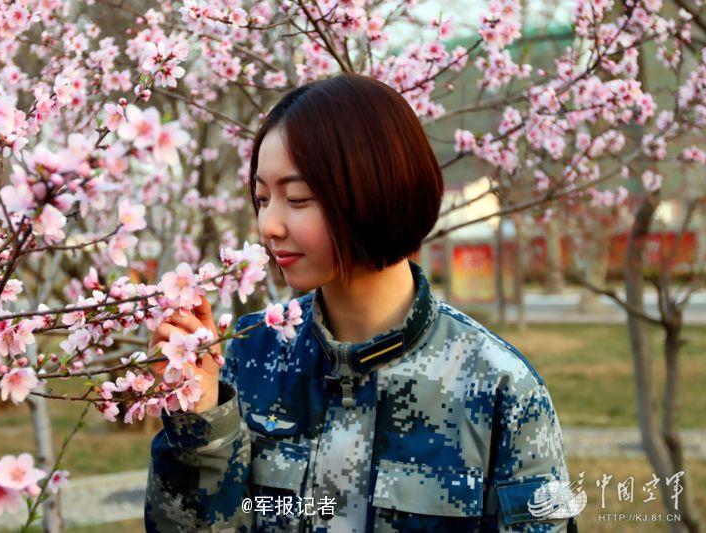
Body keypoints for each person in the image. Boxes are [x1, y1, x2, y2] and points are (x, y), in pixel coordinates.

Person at [144, 73, 579, 532]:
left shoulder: (499, 387)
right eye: (262, 198)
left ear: (375, 189)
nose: (268, 225)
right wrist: (201, 425)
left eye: (297, 198)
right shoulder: (249, 355)